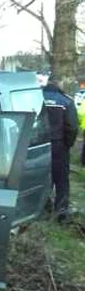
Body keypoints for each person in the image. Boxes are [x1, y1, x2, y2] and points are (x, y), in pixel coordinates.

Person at [41, 73, 79, 223]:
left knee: (43, 177)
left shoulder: (37, 98)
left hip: (38, 143)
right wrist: (67, 144)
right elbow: (72, 127)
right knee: (61, 179)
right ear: (59, 83)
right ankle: (61, 213)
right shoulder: (66, 101)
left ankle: (42, 210)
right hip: (59, 145)